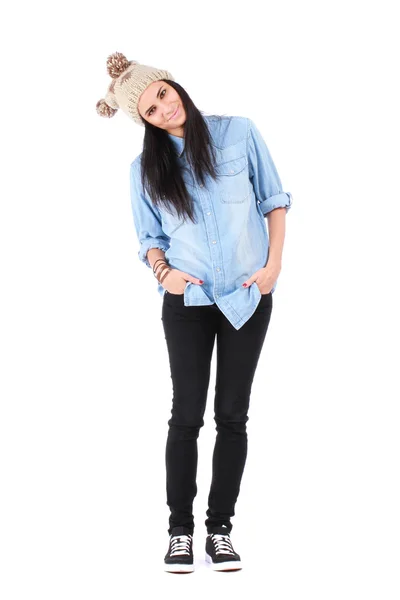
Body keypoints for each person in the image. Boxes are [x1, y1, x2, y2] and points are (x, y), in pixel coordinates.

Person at [96, 51, 293, 574]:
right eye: (150, 111)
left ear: (171, 84)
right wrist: (165, 274)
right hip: (187, 303)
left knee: (232, 416)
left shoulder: (240, 132)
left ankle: (220, 531)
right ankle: (179, 532)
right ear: (144, 122)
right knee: (186, 416)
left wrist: (273, 266)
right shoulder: (144, 170)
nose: (164, 108)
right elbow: (149, 240)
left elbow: (274, 199)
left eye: (162, 94)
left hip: (248, 295)